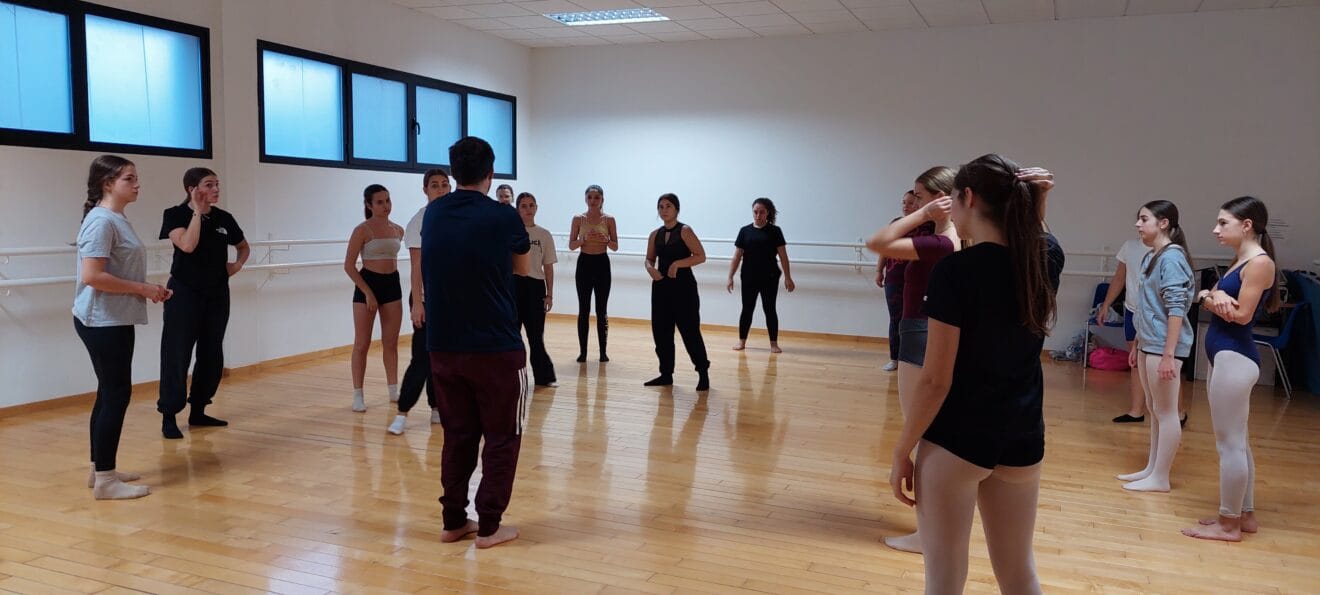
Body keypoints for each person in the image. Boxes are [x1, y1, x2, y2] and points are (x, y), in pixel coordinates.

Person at [889, 154, 1063, 594]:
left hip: (958, 441)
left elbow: (936, 380)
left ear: (967, 197)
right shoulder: (1044, 260)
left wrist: (903, 449)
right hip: (1023, 436)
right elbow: (1037, 239)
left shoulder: (956, 271)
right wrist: (1038, 201)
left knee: (944, 579)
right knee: (1019, 572)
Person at [422, 136, 530, 549]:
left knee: (458, 434)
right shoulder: (503, 216)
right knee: (502, 436)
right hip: (496, 346)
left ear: (453, 173)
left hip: (443, 346)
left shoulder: (434, 213)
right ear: (491, 172)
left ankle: (453, 521)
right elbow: (522, 268)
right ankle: (489, 526)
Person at [866, 166, 961, 554]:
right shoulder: (945, 236)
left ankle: (928, 532)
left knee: (922, 432)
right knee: (927, 431)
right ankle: (931, 528)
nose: (914, 202)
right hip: (922, 329)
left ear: (940, 198)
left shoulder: (942, 242)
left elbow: (877, 242)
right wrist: (925, 214)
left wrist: (924, 212)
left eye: (919, 196)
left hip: (920, 332)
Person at [74, 155, 172, 499]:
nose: (137, 184)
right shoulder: (102, 222)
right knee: (116, 394)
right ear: (107, 184)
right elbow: (92, 276)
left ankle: (100, 469)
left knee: (108, 392)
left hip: (113, 318)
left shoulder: (115, 218)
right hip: (103, 321)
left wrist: (147, 288)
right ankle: (105, 481)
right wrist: (143, 289)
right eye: (129, 178)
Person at [1183, 196, 1280, 542]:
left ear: (1247, 225)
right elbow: (1211, 297)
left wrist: (1208, 297)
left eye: (1223, 223)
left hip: (1235, 358)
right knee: (1238, 442)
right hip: (1225, 357)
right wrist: (1210, 295)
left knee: (1230, 445)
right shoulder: (1241, 260)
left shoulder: (1259, 263)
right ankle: (1245, 514)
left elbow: (1240, 315)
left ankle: (1229, 524)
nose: (1216, 229)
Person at [156, 167, 249, 439]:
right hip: (184, 294)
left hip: (217, 294)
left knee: (211, 354)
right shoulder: (175, 214)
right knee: (177, 354)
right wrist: (197, 212)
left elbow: (243, 246)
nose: (216, 189)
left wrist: (237, 265)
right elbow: (187, 245)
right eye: (209, 185)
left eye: (217, 184)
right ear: (192, 189)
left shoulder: (224, 218)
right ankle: (169, 415)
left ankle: (198, 410)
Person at [1116, 200, 1194, 493]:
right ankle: (1152, 468)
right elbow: (1146, 306)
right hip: (1149, 342)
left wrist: (1168, 354)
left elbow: (1176, 309)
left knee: (1166, 411)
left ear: (1163, 223)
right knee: (1154, 408)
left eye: (1144, 219)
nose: (1138, 224)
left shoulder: (1172, 258)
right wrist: (1137, 342)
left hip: (1163, 346)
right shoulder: (1153, 256)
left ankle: (1161, 477)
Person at [387, 169, 450, 435]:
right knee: (422, 357)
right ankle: (402, 412)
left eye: (445, 184)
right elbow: (416, 266)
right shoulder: (418, 221)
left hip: (451, 299)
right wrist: (417, 304)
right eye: (435, 185)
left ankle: (437, 407)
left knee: (444, 357)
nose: (440, 189)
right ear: (425, 190)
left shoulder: (457, 217)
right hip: (425, 297)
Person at [345, 184, 405, 412]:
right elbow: (349, 266)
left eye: (387, 200)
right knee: (362, 343)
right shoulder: (362, 230)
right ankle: (357, 394)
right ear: (369, 205)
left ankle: (393, 389)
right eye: (380, 202)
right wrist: (368, 292)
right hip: (367, 284)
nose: (386, 206)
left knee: (391, 342)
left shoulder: (398, 230)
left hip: (392, 285)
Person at [644, 193, 710, 391]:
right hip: (661, 286)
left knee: (690, 332)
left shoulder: (685, 231)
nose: (664, 210)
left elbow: (701, 256)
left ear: (676, 209)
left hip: (683, 288)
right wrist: (650, 268)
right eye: (661, 207)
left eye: (668, 206)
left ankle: (703, 373)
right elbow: (649, 259)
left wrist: (678, 264)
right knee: (661, 332)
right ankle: (666, 374)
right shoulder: (654, 234)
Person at [728, 198, 796, 353]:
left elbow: (783, 256)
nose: (758, 215)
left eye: (762, 212)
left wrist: (788, 277)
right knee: (747, 309)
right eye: (755, 212)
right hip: (749, 277)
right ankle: (742, 341)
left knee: (769, 309)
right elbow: (737, 256)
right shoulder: (744, 231)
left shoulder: (775, 231)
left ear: (767, 213)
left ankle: (774, 343)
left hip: (770, 277)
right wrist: (730, 276)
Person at [1097, 237, 1151, 423]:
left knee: (1161, 364)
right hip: (1132, 310)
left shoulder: (1169, 249)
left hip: (1154, 314)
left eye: (1144, 221)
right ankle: (1136, 411)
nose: (1139, 224)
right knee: (1135, 361)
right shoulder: (1130, 246)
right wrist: (1106, 305)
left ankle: (1178, 412)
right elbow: (1119, 278)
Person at [568, 185, 618, 363]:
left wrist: (606, 240)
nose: (593, 200)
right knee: (584, 309)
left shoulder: (609, 219)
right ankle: (583, 352)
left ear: (602, 199)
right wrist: (583, 240)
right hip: (584, 264)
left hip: (602, 264)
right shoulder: (578, 219)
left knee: (601, 310)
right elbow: (571, 245)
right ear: (585, 199)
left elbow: (615, 246)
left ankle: (603, 352)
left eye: (597, 197)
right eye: (590, 197)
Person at [516, 192, 559, 387]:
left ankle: (544, 377)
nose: (528, 209)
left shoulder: (544, 235)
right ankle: (512, 377)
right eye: (524, 206)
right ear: (518, 209)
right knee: (512, 336)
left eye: (531, 205)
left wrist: (549, 294)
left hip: (535, 288)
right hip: (514, 286)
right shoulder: (510, 232)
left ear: (536, 208)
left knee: (535, 336)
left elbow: (548, 267)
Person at [878, 191, 919, 371]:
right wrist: (879, 271)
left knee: (914, 320)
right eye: (903, 202)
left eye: (910, 203)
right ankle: (895, 358)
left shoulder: (928, 226)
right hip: (894, 279)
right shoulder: (896, 224)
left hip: (917, 281)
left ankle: (912, 359)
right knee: (896, 319)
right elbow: (884, 248)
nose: (905, 206)